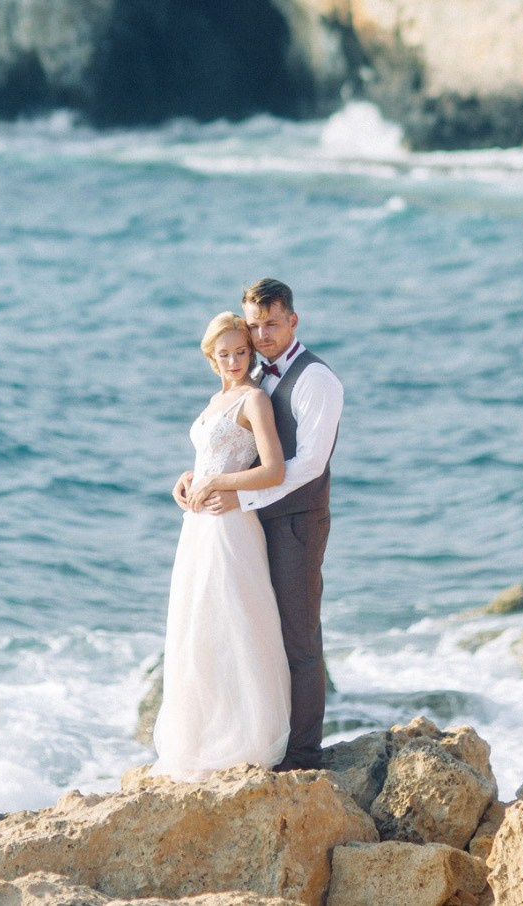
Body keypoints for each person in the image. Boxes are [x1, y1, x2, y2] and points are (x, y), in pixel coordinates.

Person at [178, 278, 342, 771]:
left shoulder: (316, 380)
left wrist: (236, 493)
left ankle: (302, 754)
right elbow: (232, 442)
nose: (263, 334)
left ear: (293, 319)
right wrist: (195, 479)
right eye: (256, 325)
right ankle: (249, 732)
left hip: (295, 521)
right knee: (250, 628)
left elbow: (310, 463)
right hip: (248, 520)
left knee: (298, 636)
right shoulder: (257, 375)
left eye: (272, 323)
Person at [153, 312, 292, 781]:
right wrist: (189, 478)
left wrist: (218, 481)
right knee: (199, 627)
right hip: (198, 526)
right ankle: (204, 734)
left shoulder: (254, 400)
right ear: (211, 357)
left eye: (240, 352)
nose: (233, 361)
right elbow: (208, 456)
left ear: (250, 353)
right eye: (224, 354)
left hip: (231, 523)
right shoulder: (217, 399)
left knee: (236, 625)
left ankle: (247, 737)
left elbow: (273, 470)